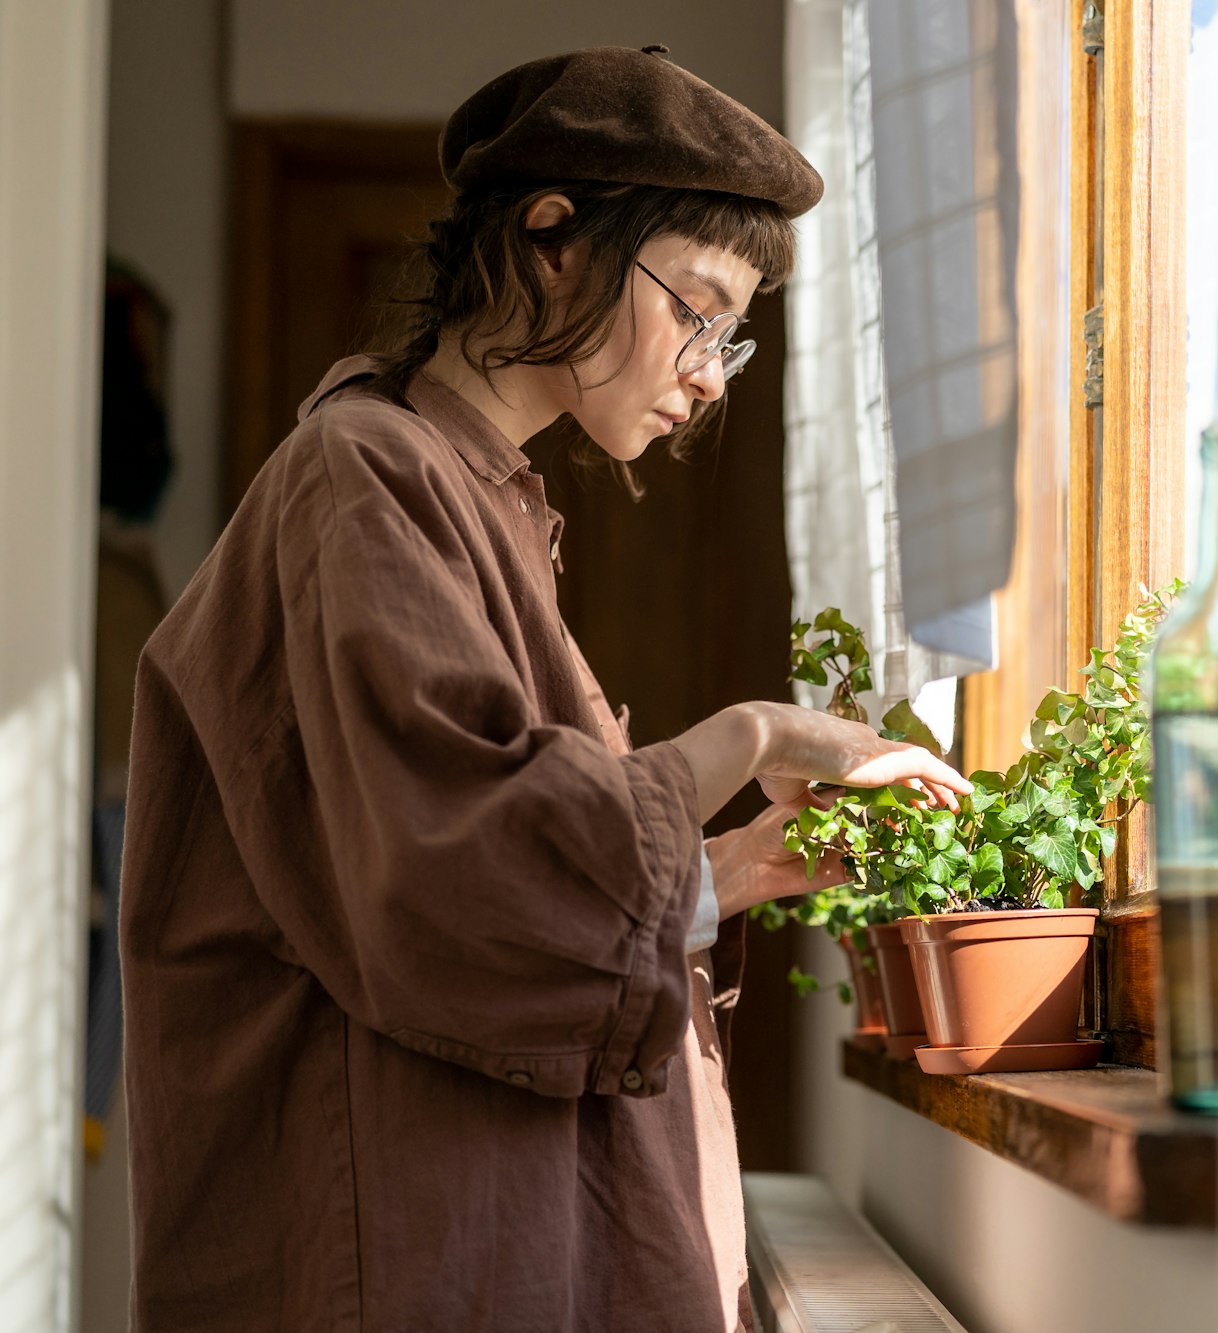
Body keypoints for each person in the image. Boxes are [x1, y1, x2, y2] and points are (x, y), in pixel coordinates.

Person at [118, 46, 967, 1332]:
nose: (704, 373)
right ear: (554, 239)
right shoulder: (366, 479)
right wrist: (755, 733)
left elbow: (471, 874)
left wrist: (735, 869)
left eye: (730, 340)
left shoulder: (469, 496)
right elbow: (451, 871)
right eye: (694, 308)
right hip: (392, 1248)